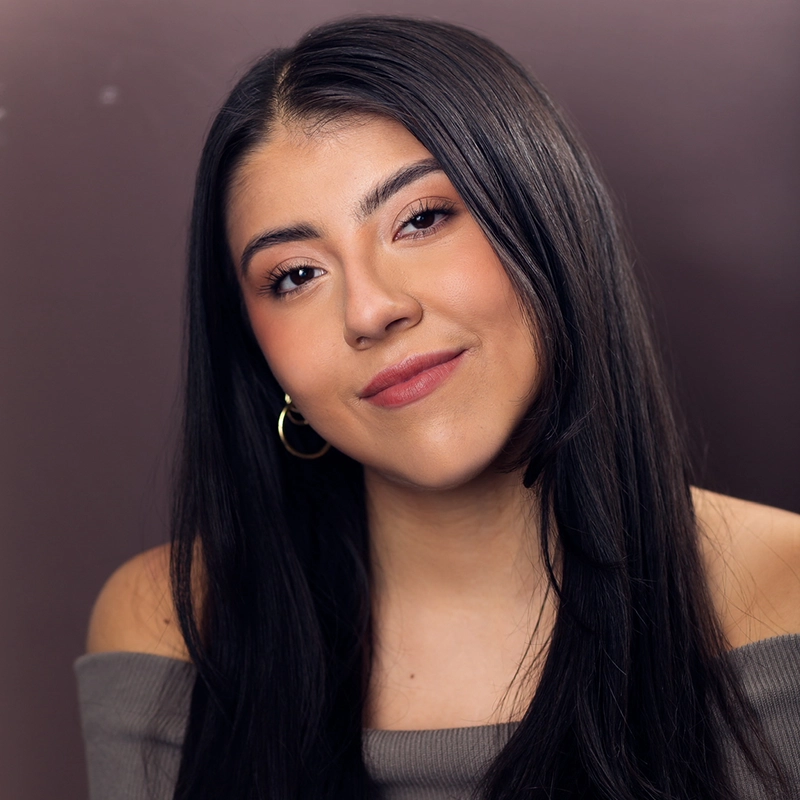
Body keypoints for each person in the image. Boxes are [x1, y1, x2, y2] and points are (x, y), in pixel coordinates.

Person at [75, 15, 800, 800]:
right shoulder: (172, 628)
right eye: (295, 275)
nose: (370, 310)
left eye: (420, 220)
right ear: (258, 351)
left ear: (547, 223)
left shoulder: (787, 597)